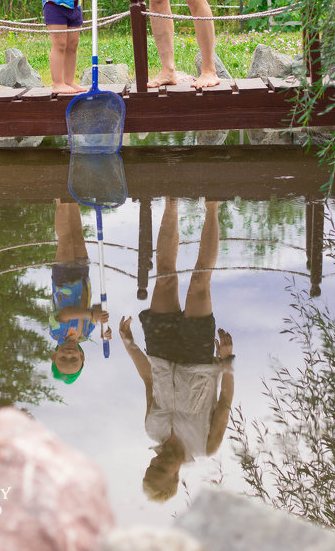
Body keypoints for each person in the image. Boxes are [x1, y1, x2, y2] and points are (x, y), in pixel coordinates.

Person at [119, 198, 234, 501]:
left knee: (165, 276)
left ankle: (171, 202)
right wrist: (226, 361)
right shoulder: (205, 447)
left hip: (160, 348)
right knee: (199, 282)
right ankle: (212, 206)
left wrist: (129, 344)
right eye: (159, 471)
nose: (155, 462)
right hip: (197, 359)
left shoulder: (151, 430)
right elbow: (224, 402)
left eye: (150, 467)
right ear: (174, 479)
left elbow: (148, 381)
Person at [49, 199, 111, 384]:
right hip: (83, 278)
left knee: (66, 240)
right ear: (82, 357)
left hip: (64, 280)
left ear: (54, 355)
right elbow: (97, 308)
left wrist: (92, 313)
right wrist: (103, 324)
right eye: (74, 359)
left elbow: (67, 314)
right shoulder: (87, 332)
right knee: (77, 236)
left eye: (63, 358)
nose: (69, 355)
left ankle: (61, 201)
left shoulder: (56, 333)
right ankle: (73, 198)